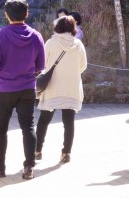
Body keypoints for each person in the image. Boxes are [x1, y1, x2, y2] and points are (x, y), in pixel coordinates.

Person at [0, 0, 45, 180]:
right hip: (27, 88)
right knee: (28, 127)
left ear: (6, 15)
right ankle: (28, 168)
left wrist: (1, 74)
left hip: (4, 89)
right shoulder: (36, 35)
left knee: (0, 129)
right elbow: (41, 65)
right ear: (26, 14)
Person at [35, 15, 87, 164]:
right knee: (69, 122)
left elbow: (43, 64)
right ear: (72, 28)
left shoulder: (51, 43)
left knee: (44, 120)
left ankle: (37, 150)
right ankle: (66, 153)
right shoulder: (78, 44)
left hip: (53, 87)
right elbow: (83, 66)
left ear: (57, 27)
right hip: (72, 88)